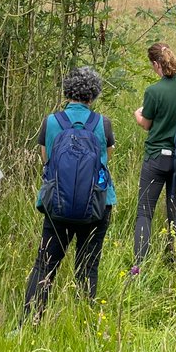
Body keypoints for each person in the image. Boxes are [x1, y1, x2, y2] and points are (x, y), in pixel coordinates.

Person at [22, 66, 116, 321]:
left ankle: (29, 322)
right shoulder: (102, 123)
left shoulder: (51, 122)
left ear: (68, 91)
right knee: (88, 266)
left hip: (57, 205)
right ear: (93, 94)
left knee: (44, 265)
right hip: (97, 205)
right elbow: (105, 161)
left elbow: (46, 158)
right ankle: (83, 323)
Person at [131, 43, 176, 271]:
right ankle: (175, 261)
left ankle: (140, 264)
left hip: (157, 156)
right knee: (175, 211)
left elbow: (147, 124)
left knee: (145, 211)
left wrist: (137, 115)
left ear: (156, 64)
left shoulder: (153, 91)